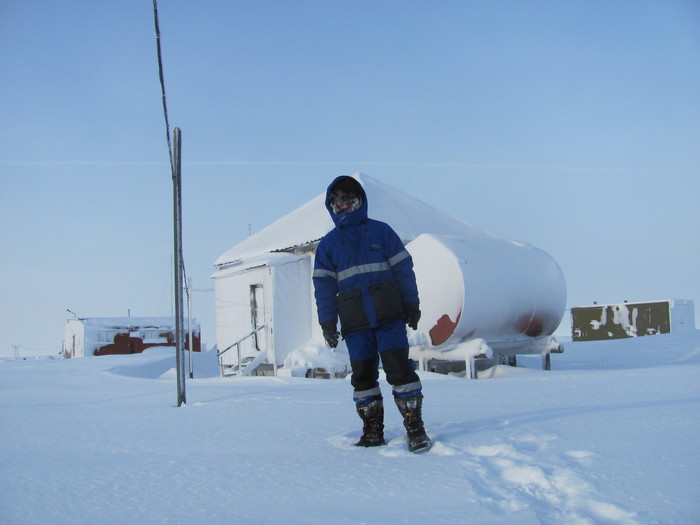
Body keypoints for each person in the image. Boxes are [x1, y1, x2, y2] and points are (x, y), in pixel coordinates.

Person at [312, 175, 431, 453]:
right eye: (338, 203)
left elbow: (404, 270)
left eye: (348, 201)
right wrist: (327, 321)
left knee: (400, 371)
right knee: (363, 378)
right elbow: (323, 286)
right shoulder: (328, 245)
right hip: (355, 325)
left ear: (359, 201)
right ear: (331, 206)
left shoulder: (381, 232)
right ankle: (372, 431)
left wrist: (411, 303)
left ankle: (416, 429)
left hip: (389, 318)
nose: (343, 207)